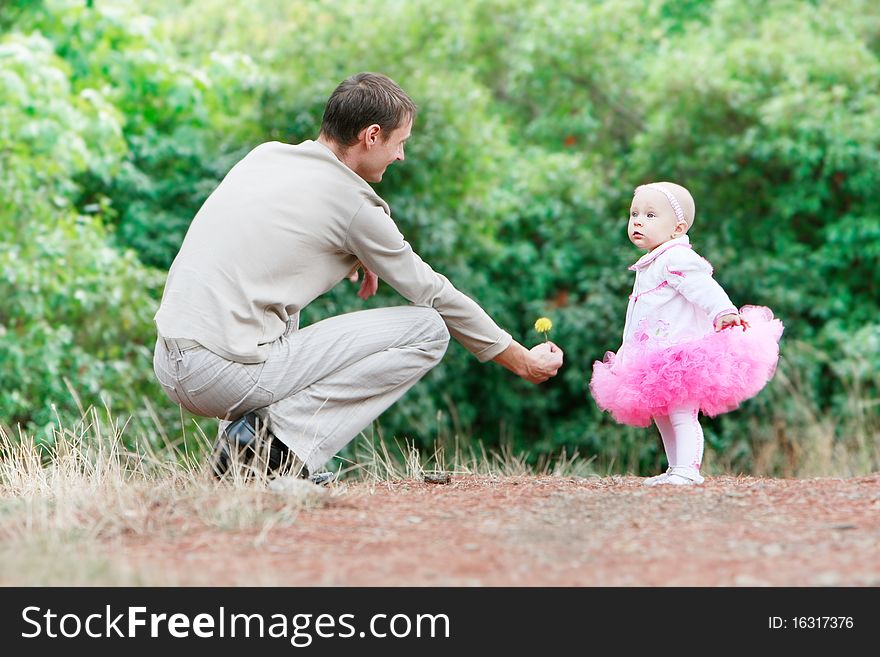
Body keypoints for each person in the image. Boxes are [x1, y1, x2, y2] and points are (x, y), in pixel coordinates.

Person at [152, 72, 563, 482]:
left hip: (172, 361)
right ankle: (269, 454)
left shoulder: (267, 157)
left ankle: (248, 450)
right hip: (222, 376)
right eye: (399, 143)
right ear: (371, 136)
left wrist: (357, 255)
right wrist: (519, 359)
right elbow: (433, 292)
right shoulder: (354, 206)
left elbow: (276, 239)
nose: (400, 156)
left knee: (279, 308)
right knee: (428, 329)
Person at [589, 182, 782, 486]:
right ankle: (675, 467)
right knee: (661, 413)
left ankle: (689, 469)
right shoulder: (652, 261)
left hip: (681, 354)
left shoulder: (676, 257)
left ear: (677, 228)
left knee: (681, 412)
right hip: (652, 353)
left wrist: (724, 311)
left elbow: (703, 287)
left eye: (650, 215)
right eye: (634, 214)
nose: (638, 221)